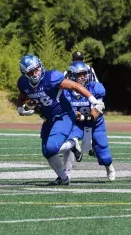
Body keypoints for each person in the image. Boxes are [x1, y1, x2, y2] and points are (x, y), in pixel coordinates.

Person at [17, 54, 105, 186]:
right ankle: (63, 178)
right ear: (25, 74)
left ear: (41, 66)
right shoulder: (23, 83)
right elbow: (22, 95)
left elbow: (75, 86)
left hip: (63, 115)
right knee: (47, 152)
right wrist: (20, 108)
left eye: (37, 69)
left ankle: (73, 144)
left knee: (52, 148)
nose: (35, 73)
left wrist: (93, 100)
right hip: (48, 119)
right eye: (31, 72)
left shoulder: (51, 77)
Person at [62, 60, 115, 181]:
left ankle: (108, 165)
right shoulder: (66, 91)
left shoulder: (95, 88)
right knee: (69, 142)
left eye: (84, 74)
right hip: (78, 124)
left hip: (95, 123)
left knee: (103, 152)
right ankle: (66, 174)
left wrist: (83, 117)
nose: (82, 77)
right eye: (79, 75)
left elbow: (95, 113)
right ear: (71, 76)